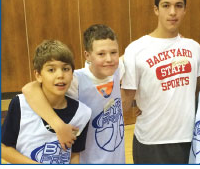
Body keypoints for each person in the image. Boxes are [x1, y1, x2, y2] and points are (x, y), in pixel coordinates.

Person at [121, 0, 200, 164]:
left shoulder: (193, 47)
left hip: (188, 138)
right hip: (150, 141)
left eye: (178, 6)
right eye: (166, 5)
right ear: (156, 9)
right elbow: (126, 97)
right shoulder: (136, 49)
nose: (172, 12)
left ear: (185, 10)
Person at [20, 24, 126, 163]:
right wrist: (58, 124)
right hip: (87, 160)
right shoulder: (74, 79)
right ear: (87, 55)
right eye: (101, 54)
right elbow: (30, 89)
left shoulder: (118, 68)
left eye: (113, 52)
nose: (109, 59)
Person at [1, 40, 92, 164]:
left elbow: (75, 154)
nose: (60, 75)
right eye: (51, 70)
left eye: (66, 69)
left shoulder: (83, 113)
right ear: (38, 75)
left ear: (72, 74)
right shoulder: (20, 104)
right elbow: (3, 148)